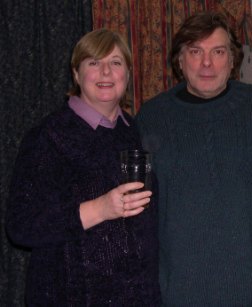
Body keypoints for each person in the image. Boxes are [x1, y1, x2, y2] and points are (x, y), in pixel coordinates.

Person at [136, 11, 252, 307]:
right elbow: (140, 213)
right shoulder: (152, 116)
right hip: (177, 291)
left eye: (218, 52)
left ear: (232, 60)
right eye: (195, 52)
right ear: (179, 60)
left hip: (250, 288)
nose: (206, 63)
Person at [6, 29, 160, 306]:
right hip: (68, 296)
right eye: (93, 62)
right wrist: (99, 209)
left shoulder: (133, 132)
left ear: (127, 73)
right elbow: (21, 226)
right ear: (76, 75)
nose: (105, 72)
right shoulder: (49, 136)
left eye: (115, 62)